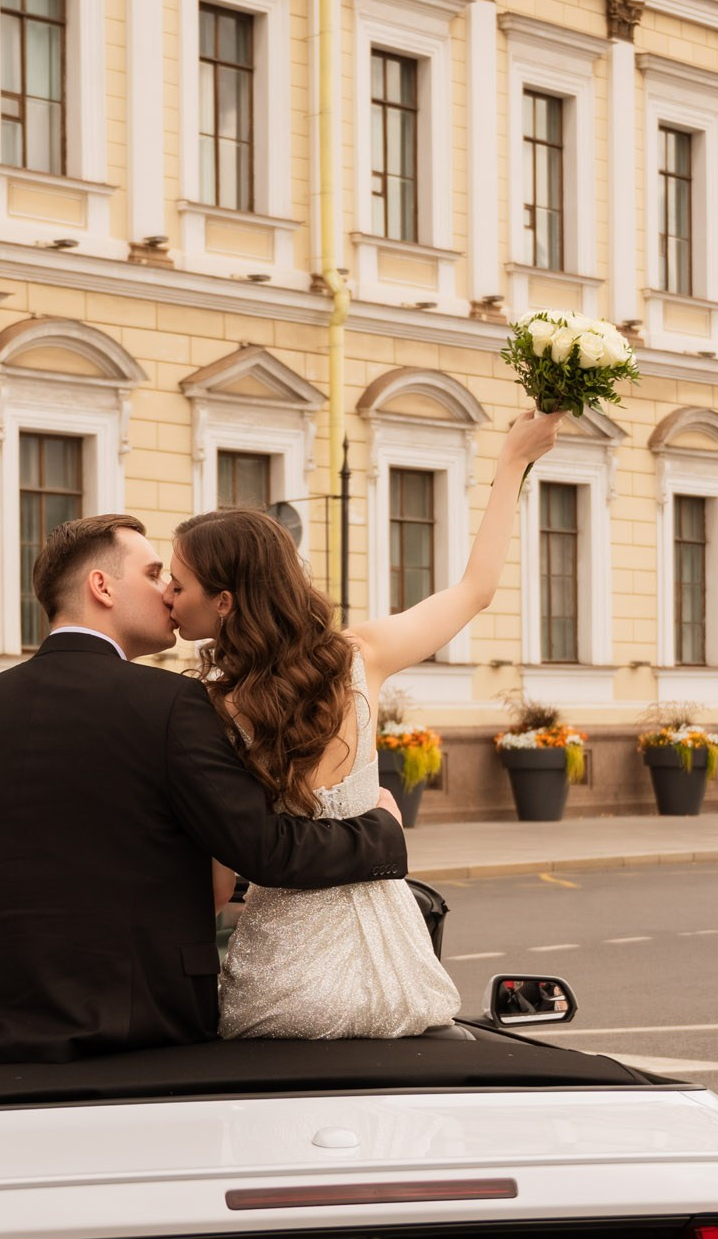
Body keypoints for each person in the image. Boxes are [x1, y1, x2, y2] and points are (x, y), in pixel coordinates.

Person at [0, 513, 409, 1070]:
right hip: (134, 1041)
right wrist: (380, 830)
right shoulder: (176, 706)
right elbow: (264, 850)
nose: (169, 593)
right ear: (102, 587)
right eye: (153, 574)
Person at [167, 410, 565, 1039]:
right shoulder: (360, 656)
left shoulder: (215, 711)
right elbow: (476, 589)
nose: (166, 594)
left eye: (177, 582)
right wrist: (513, 460)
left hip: (283, 983)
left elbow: (216, 891)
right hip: (394, 972)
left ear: (224, 602)